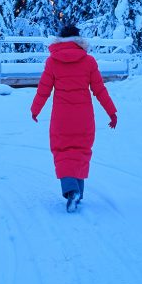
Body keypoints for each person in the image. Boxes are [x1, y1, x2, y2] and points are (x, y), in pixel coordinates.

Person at [31, 24, 118, 212]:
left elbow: (43, 90)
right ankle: (78, 192)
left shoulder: (52, 62)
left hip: (61, 118)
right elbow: (99, 90)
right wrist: (112, 112)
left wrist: (35, 110)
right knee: (81, 151)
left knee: (62, 151)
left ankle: (71, 191)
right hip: (84, 117)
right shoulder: (89, 62)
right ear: (78, 40)